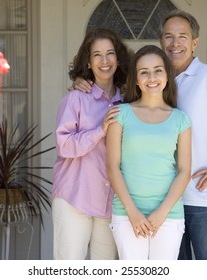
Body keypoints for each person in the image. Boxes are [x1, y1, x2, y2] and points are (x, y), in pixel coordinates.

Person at [71, 10, 207, 260]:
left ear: (195, 42)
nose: (175, 43)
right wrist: (81, 82)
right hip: (162, 202)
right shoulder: (155, 78)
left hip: (202, 198)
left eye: (182, 36)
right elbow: (108, 78)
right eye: (168, 36)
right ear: (161, 41)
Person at [106, 45, 191, 260]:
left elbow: (184, 171)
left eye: (158, 70)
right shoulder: (120, 114)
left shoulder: (180, 119)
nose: (151, 77)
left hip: (168, 216)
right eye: (144, 72)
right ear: (135, 79)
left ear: (167, 76)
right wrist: (133, 213)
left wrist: (161, 213)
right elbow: (112, 167)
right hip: (127, 214)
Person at [52, 28, 130, 260]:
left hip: (110, 203)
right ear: (88, 61)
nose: (104, 61)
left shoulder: (129, 102)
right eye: (97, 54)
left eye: (110, 53)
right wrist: (100, 130)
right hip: (74, 199)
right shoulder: (75, 98)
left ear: (118, 58)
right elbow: (64, 146)